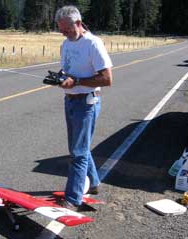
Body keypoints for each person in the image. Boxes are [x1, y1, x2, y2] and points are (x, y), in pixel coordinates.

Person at [54, 5, 113, 209]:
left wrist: (76, 81)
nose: (64, 33)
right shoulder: (65, 44)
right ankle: (94, 182)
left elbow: (106, 79)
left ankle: (72, 199)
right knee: (79, 148)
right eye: (61, 30)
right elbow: (68, 69)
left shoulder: (93, 44)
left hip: (86, 102)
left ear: (78, 24)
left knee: (77, 152)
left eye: (67, 30)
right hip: (70, 100)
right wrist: (60, 78)